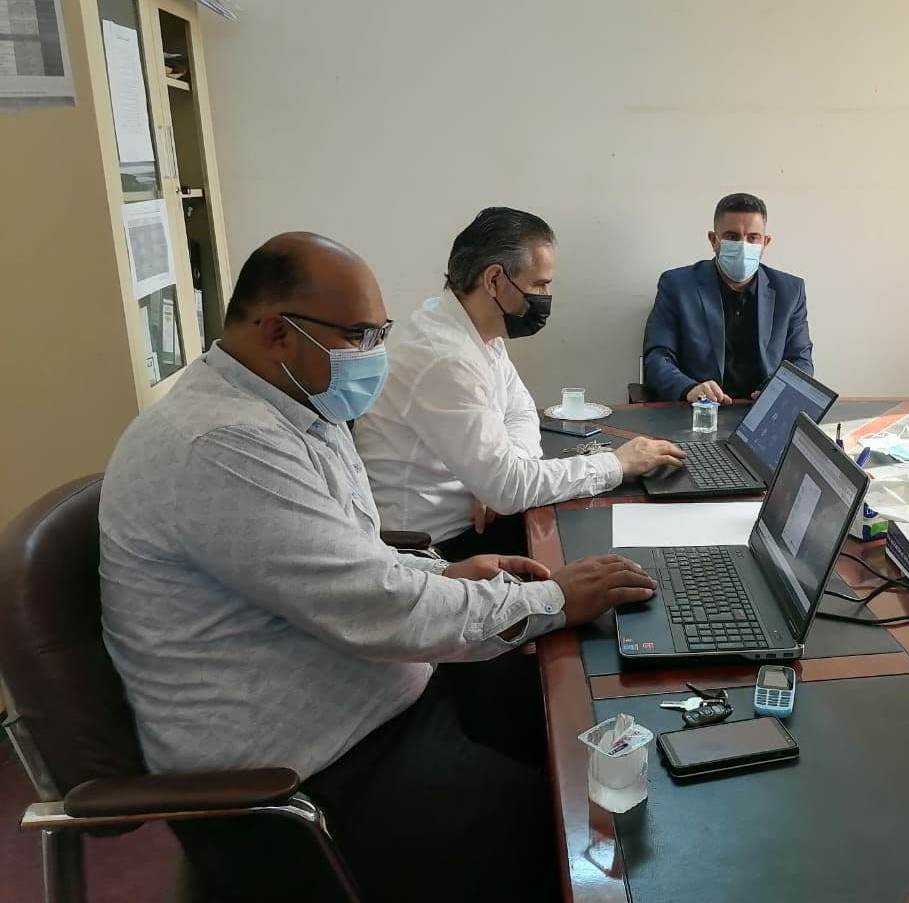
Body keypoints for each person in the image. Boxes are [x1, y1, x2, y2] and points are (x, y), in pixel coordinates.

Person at [98, 231, 658, 903]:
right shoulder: (223, 444)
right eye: (358, 335)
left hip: (377, 696)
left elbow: (347, 552)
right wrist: (554, 601)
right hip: (313, 772)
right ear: (277, 333)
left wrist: (439, 573)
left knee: (579, 715)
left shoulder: (292, 407)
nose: (373, 355)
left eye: (379, 333)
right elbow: (378, 607)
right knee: (580, 841)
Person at [356, 207, 685, 559]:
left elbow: (522, 411)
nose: (546, 294)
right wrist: (616, 464)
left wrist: (501, 477)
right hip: (437, 549)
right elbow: (510, 488)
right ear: (494, 280)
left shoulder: (474, 328)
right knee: (607, 553)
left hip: (479, 518)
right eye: (539, 284)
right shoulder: (444, 357)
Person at [642, 192, 814, 404]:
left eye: (753, 238)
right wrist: (688, 388)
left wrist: (777, 391)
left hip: (763, 409)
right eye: (732, 237)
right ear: (714, 240)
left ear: (765, 242)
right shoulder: (677, 286)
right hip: (699, 409)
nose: (743, 245)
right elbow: (657, 357)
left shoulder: (790, 291)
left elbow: (800, 361)